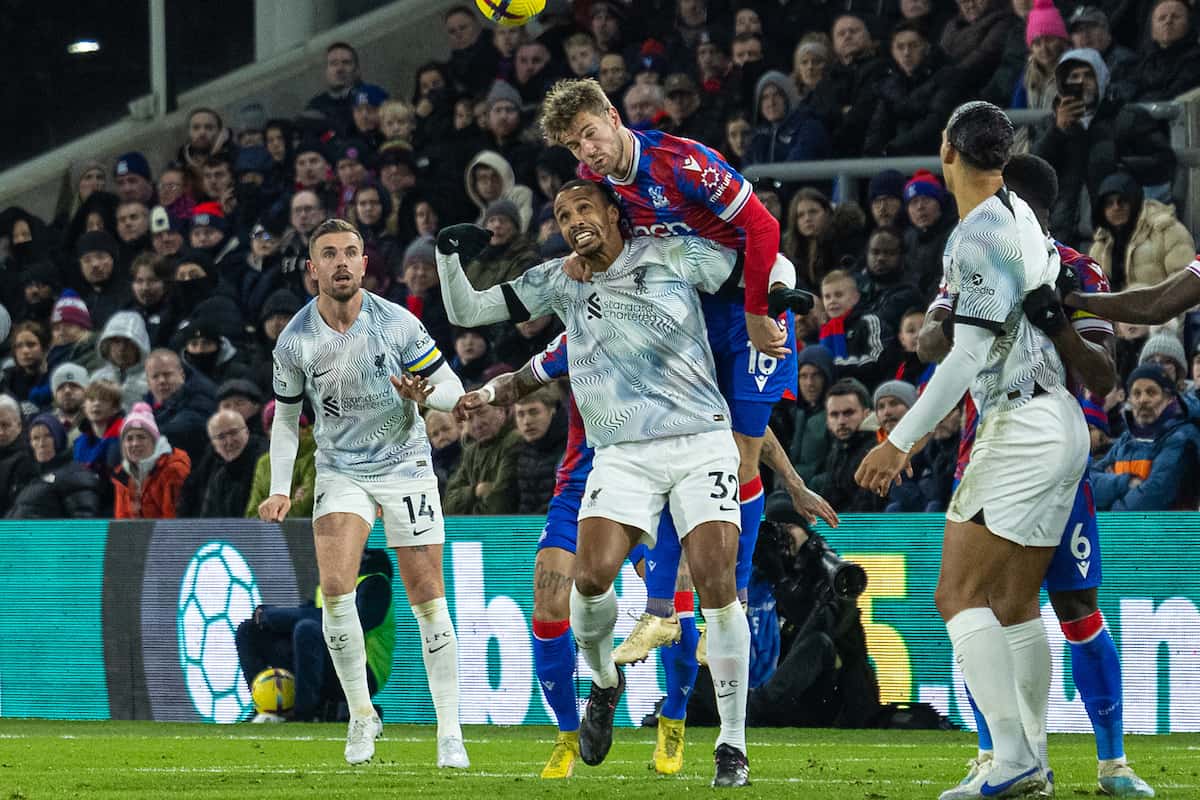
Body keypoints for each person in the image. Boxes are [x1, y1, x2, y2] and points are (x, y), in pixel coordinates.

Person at [434, 180, 767, 787]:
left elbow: (756, 260)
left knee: (717, 584)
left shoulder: (672, 254)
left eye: (584, 207)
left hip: (700, 441)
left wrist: (782, 294)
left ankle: (731, 743)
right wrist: (448, 256)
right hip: (619, 454)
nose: (572, 221)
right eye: (562, 215)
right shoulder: (561, 281)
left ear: (615, 213)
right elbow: (468, 311)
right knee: (588, 580)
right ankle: (606, 684)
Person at [536, 78, 812, 713]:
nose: (588, 152)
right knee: (685, 440)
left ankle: (724, 601)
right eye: (574, 146)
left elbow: (763, 226)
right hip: (693, 307)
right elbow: (608, 238)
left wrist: (752, 313)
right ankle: (666, 609)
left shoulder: (679, 161)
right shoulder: (605, 190)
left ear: (613, 114)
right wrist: (583, 255)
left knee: (739, 452)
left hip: (754, 298)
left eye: (590, 133)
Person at [857, 102, 1087, 799]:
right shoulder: (1021, 215)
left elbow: (965, 359)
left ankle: (1012, 756)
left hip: (1020, 426)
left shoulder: (981, 230)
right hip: (1058, 420)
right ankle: (1031, 760)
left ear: (947, 150)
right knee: (1014, 603)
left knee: (956, 595)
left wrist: (900, 441)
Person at [258, 218, 469, 769]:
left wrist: (427, 395)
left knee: (428, 597)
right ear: (313, 268)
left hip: (405, 466)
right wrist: (281, 489)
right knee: (334, 586)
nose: (342, 262)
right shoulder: (296, 340)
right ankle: (360, 715)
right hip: (340, 470)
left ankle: (450, 730)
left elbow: (452, 388)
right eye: (329, 254)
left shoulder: (396, 324)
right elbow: (285, 421)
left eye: (351, 252)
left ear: (365, 262)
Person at [236, 549, 394, 723]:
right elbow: (312, 612)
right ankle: (266, 705)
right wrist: (270, 615)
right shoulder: (331, 583)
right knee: (249, 630)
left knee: (306, 629)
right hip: (326, 661)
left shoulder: (376, 583)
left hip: (362, 671)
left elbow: (349, 621)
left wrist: (277, 616)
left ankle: (303, 714)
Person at [1089, 364, 1199, 510]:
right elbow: (1088, 482)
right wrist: (1126, 482)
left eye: (1151, 392)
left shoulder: (1182, 438)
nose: (1142, 400)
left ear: (1169, 399)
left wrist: (1106, 509)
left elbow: (1150, 498)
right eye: (1136, 393)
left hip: (1168, 531)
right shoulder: (1127, 438)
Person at [1088, 172, 1194, 291]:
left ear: (1134, 202)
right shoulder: (1100, 245)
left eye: (1122, 201)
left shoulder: (1166, 229)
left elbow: (1185, 284)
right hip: (1114, 307)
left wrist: (1143, 299)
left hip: (1162, 307)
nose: (1116, 207)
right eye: (1109, 203)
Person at [6, 414, 100, 519]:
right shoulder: (31, 477)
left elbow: (83, 525)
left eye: (48, 436)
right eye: (35, 438)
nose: (41, 443)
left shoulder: (75, 474)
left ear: (58, 437)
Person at [809, 378, 880, 512]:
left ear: (866, 414)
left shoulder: (875, 449)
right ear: (828, 420)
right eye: (834, 415)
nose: (841, 421)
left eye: (848, 413)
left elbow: (866, 508)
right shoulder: (838, 449)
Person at [111, 402, 192, 519]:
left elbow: (174, 524)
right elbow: (122, 521)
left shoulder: (173, 469)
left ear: (154, 441)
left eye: (141, 437)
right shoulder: (122, 475)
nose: (134, 444)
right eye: (129, 439)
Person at [442, 399, 522, 514]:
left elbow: (499, 505)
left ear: (501, 410)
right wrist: (475, 491)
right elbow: (448, 505)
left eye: (481, 413)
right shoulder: (471, 452)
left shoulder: (513, 441)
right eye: (469, 418)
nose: (477, 423)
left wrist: (467, 514)